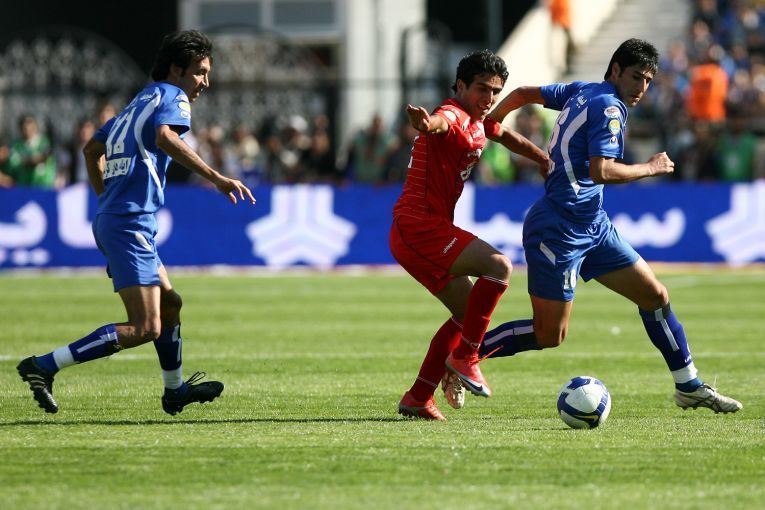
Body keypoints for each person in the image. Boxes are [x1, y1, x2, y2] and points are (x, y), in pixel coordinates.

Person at [460, 38, 742, 414]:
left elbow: (524, 93)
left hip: (593, 225)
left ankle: (688, 386)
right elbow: (602, 171)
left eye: (648, 80)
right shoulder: (609, 106)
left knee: (655, 296)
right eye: (636, 77)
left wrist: (491, 122)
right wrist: (651, 167)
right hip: (558, 229)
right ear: (615, 71)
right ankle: (461, 355)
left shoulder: (583, 90)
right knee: (549, 334)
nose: (641, 88)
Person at [16, 30, 256, 416]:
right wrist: (217, 177)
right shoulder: (173, 96)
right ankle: (44, 365)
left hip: (122, 219)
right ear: (176, 70)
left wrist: (106, 199)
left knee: (171, 304)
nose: (205, 82)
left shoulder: (137, 103)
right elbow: (164, 137)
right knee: (145, 327)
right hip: (129, 223)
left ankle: (175, 390)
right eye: (200, 72)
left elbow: (91, 150)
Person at [390, 49, 549, 421]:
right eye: (482, 88)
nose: (489, 98)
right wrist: (425, 124)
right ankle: (465, 357)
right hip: (419, 227)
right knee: (499, 266)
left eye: (495, 91)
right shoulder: (452, 114)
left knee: (466, 313)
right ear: (460, 86)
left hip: (428, 229)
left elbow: (504, 134)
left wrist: (542, 158)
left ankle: (418, 396)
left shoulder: (478, 121)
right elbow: (439, 124)